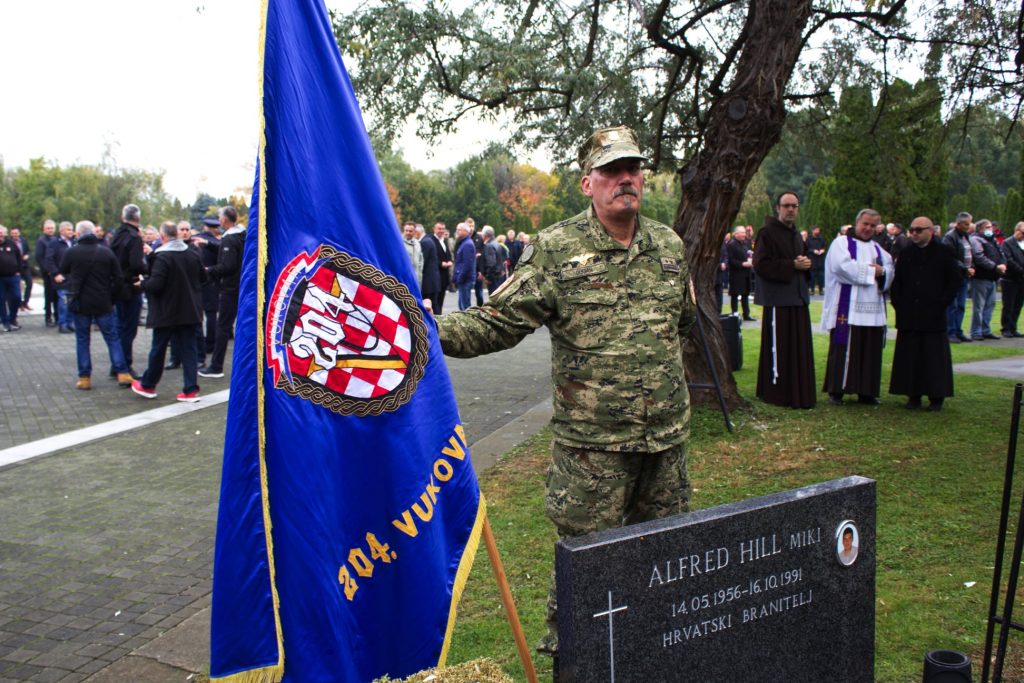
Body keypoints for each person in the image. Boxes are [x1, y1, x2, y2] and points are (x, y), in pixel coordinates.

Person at [435, 126, 695, 673]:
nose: (625, 179)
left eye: (633, 168)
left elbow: (682, 323)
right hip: (592, 455)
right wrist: (421, 330)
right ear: (587, 183)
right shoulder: (556, 249)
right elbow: (496, 322)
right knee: (587, 584)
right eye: (611, 170)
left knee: (664, 571)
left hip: (665, 447)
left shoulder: (669, 246)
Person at [888, 216, 962, 411]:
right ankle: (913, 395)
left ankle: (936, 396)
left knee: (933, 358)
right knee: (910, 356)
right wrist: (898, 304)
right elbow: (898, 281)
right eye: (912, 230)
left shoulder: (944, 251)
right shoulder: (906, 252)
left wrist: (941, 303)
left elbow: (954, 281)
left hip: (933, 314)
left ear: (931, 231)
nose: (914, 233)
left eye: (919, 230)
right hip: (909, 314)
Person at [821, 208, 894, 405]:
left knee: (870, 350)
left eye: (873, 225)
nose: (868, 228)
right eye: (865, 224)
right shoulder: (841, 243)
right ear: (857, 223)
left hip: (873, 311)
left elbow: (890, 270)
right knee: (843, 348)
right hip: (848, 308)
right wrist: (873, 272)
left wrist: (883, 272)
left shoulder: (879, 249)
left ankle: (867, 392)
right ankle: (837, 391)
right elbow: (841, 268)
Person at [752, 192, 816, 409]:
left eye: (794, 206)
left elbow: (802, 261)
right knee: (779, 349)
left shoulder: (797, 235)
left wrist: (806, 263)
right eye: (786, 205)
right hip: (778, 301)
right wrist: (792, 265)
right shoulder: (766, 233)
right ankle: (778, 394)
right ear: (778, 208)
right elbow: (760, 264)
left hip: (798, 298)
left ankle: (798, 391)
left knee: (798, 349)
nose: (790, 209)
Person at [131, 221, 206, 402]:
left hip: (167, 312)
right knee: (189, 350)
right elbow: (203, 277)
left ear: (163, 236)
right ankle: (190, 389)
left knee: (158, 349)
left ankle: (148, 384)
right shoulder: (192, 254)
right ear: (177, 234)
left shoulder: (162, 256)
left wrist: (143, 283)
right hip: (189, 310)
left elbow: (156, 284)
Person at [56, 221, 134, 390]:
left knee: (83, 340)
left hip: (80, 302)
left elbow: (63, 270)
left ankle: (84, 377)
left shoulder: (71, 252)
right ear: (94, 233)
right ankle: (122, 373)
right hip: (103, 301)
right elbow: (118, 278)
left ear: (78, 234)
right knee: (112, 338)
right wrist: (111, 296)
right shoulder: (106, 252)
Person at [199, 207, 246, 379]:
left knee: (223, 327)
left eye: (219, 216)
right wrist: (208, 244)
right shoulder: (242, 236)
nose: (218, 219)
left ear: (225, 220)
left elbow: (228, 265)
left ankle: (216, 366)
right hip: (241, 287)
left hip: (230, 289)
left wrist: (208, 270)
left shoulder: (230, 239)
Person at [110, 204, 147, 374]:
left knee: (119, 327)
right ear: (138, 218)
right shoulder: (134, 238)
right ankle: (124, 366)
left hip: (116, 285)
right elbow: (136, 264)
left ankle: (116, 364)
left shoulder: (116, 236)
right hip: (131, 286)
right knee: (129, 328)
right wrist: (149, 268)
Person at [967, 218, 1007, 340]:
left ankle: (986, 330)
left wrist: (1003, 264)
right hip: (981, 277)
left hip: (992, 277)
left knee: (990, 305)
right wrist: (995, 267)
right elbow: (979, 257)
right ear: (980, 228)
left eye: (991, 227)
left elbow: (1001, 253)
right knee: (979, 306)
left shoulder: (992, 240)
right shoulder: (975, 239)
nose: (991, 229)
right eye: (987, 227)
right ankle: (976, 332)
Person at [942, 212, 975, 344]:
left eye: (969, 223)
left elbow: (969, 254)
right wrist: (965, 268)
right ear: (959, 224)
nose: (968, 226)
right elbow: (950, 258)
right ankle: (950, 332)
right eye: (966, 224)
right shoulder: (950, 237)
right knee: (952, 305)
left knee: (961, 305)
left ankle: (958, 330)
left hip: (964, 275)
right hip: (953, 276)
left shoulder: (965, 236)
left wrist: (971, 267)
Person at [196, 215, 222, 357]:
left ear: (205, 227)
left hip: (197, 282)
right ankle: (210, 344)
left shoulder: (196, 240)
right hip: (213, 281)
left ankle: (199, 343)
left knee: (198, 315)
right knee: (211, 314)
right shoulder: (218, 243)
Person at [46, 221, 77, 333]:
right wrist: (55, 273)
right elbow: (49, 260)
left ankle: (70, 323)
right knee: (64, 302)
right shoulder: (54, 243)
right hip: (61, 277)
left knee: (72, 301)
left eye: (71, 229)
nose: (71, 232)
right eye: (68, 230)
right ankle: (62, 323)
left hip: (73, 277)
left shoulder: (74, 242)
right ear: (61, 231)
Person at [1000, 221, 1024, 338]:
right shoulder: (1007, 243)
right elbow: (1009, 260)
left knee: (1018, 305)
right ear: (1017, 231)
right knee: (1008, 305)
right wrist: (1021, 270)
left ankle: (1013, 327)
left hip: (1021, 280)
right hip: (1010, 279)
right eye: (1023, 233)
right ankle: (1006, 328)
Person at [726, 226, 754, 320]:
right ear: (736, 234)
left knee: (745, 294)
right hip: (736, 274)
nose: (744, 235)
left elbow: (748, 254)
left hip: (746, 273)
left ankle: (746, 314)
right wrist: (742, 264)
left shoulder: (745, 243)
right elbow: (731, 260)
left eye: (744, 233)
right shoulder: (732, 245)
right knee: (735, 295)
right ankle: (734, 314)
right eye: (742, 233)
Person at [0, 225, 23, 332]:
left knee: (17, 297)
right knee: (1, 300)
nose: (0, 236)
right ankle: (5, 322)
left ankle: (12, 319)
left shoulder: (11, 243)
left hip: (13, 276)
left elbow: (19, 257)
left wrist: (19, 270)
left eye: (1, 233)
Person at [415, 223, 441, 313]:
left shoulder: (424, 242)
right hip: (433, 281)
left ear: (417, 233)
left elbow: (422, 262)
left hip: (428, 282)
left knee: (430, 305)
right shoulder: (428, 240)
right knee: (434, 304)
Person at [36, 219, 58, 326]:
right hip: (48, 274)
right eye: (48, 228)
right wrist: (48, 270)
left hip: (57, 272)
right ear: (44, 229)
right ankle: (48, 317)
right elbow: (40, 257)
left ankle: (58, 316)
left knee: (57, 296)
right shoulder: (41, 241)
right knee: (49, 296)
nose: (50, 230)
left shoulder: (56, 239)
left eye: (52, 228)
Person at [451, 222, 476, 311]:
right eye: (457, 230)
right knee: (462, 305)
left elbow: (467, 265)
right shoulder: (464, 243)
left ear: (466, 231)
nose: (457, 232)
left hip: (465, 280)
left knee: (465, 307)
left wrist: (460, 278)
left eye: (459, 230)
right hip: (464, 279)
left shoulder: (467, 244)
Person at [428, 222, 452, 314]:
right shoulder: (431, 241)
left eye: (443, 229)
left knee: (441, 301)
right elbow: (431, 258)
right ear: (434, 229)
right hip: (435, 276)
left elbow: (448, 254)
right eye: (439, 229)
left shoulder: (444, 241)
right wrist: (441, 263)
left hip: (444, 276)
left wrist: (449, 261)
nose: (441, 231)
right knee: (435, 302)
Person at [10, 228, 32, 311]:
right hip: (15, 267)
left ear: (19, 233)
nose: (15, 235)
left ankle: (25, 302)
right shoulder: (9, 243)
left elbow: (28, 251)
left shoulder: (23, 241)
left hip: (25, 266)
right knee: (17, 286)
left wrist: (27, 255)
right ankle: (18, 304)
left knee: (29, 284)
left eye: (16, 233)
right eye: (13, 233)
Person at [480, 226, 507, 294]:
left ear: (485, 235)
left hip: (493, 277)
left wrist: (488, 277)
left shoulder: (489, 245)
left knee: (493, 296)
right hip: (498, 275)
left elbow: (491, 263)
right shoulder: (496, 243)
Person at [806, 225, 827, 295]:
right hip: (812, 260)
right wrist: (813, 251)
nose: (818, 231)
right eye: (816, 230)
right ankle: (811, 290)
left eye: (818, 230)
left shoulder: (822, 238)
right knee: (812, 276)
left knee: (821, 276)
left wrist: (823, 250)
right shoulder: (808, 239)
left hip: (820, 260)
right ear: (812, 230)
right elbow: (806, 248)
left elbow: (824, 246)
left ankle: (821, 289)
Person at [401, 221, 423, 288]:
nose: (408, 233)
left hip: (416, 279)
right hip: (403, 280)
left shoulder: (417, 244)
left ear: (414, 232)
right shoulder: (399, 243)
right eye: (406, 230)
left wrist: (419, 275)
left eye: (410, 231)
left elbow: (421, 261)